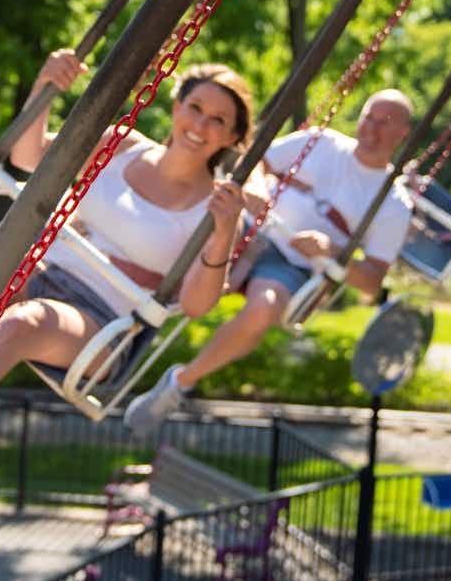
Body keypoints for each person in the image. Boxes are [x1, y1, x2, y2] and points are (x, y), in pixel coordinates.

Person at [0, 53, 256, 421]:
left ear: (232, 137)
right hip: (37, 269)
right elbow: (29, 156)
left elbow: (197, 305)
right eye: (195, 107)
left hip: (98, 320)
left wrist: (225, 231)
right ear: (177, 106)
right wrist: (46, 86)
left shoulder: (216, 210)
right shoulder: (121, 145)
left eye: (218, 121)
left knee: (22, 324)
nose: (200, 124)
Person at [124, 89, 415, 436]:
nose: (371, 129)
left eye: (384, 122)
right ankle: (117, 313)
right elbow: (258, 161)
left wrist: (330, 253)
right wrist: (258, 191)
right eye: (369, 116)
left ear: (402, 134)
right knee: (179, 238)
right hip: (249, 226)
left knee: (263, 308)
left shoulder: (393, 203)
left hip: (291, 265)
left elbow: (371, 280)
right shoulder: (319, 143)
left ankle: (179, 382)